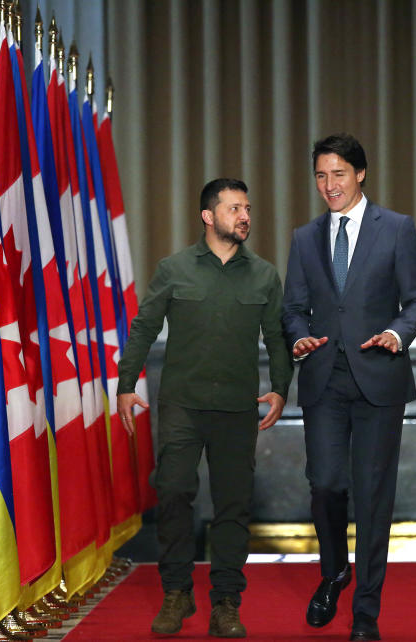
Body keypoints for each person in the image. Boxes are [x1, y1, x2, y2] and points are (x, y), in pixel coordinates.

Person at [117, 178, 291, 639]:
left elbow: (277, 338)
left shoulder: (265, 275)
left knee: (233, 506)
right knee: (173, 492)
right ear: (208, 216)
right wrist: (125, 383)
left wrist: (280, 388)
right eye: (235, 208)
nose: (245, 216)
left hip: (237, 408)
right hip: (181, 404)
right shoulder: (174, 269)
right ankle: (176, 591)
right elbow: (143, 327)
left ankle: (227, 603)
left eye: (248, 208)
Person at [282, 133, 416, 641]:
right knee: (325, 484)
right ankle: (334, 571)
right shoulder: (304, 238)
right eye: (321, 176)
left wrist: (396, 333)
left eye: (338, 174)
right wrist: (300, 339)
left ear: (360, 174)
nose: (329, 185)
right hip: (325, 378)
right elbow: (294, 309)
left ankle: (365, 614)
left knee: (372, 497)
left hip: (379, 378)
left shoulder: (397, 229)